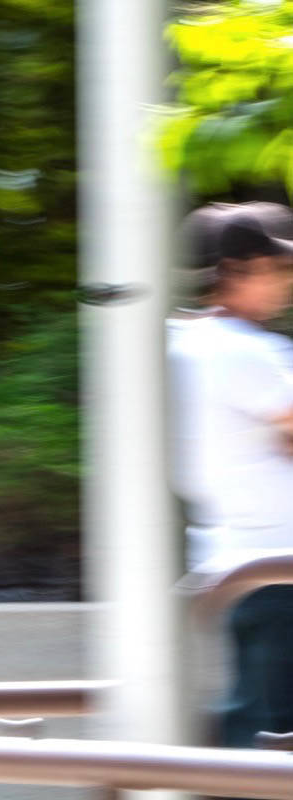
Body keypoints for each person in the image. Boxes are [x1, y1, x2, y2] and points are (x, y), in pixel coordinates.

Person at [168, 201, 293, 756]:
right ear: (235, 271)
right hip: (275, 567)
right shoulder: (246, 351)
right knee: (269, 738)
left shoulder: (181, 344)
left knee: (256, 723)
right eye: (279, 267)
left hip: (232, 566)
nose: (288, 282)